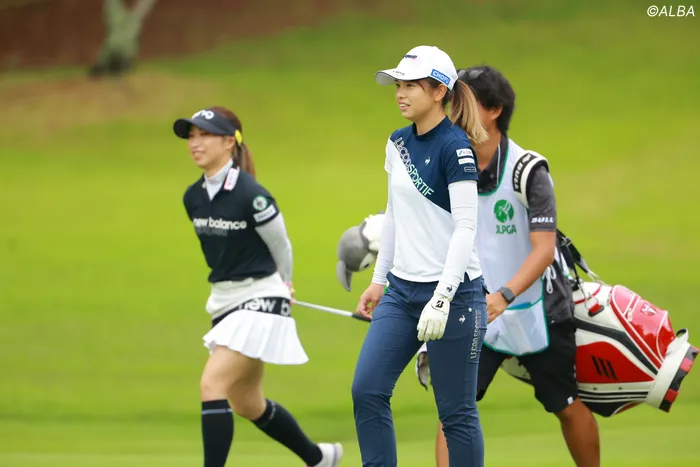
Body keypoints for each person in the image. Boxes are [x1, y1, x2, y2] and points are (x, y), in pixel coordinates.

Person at [427, 66, 601, 467]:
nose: (453, 112)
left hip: (539, 310)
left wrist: (504, 295)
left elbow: (544, 249)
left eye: (465, 103)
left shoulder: (528, 170)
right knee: (454, 406)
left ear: (494, 111)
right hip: (478, 309)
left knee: (565, 404)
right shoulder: (448, 166)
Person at [175, 106, 343, 467]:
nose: (195, 143)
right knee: (247, 403)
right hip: (224, 301)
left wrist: (285, 284)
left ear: (228, 142)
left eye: (205, 134)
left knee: (212, 385)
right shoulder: (192, 197)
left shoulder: (252, 195)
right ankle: (319, 458)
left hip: (261, 296)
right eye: (191, 135)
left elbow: (281, 246)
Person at [350, 45, 490, 467]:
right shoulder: (397, 143)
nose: (400, 93)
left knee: (456, 413)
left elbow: (465, 227)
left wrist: (443, 297)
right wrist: (379, 279)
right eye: (398, 85)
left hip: (456, 295)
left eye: (411, 85)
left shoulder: (456, 147)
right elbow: (393, 215)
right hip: (401, 292)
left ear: (438, 91)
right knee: (367, 389)